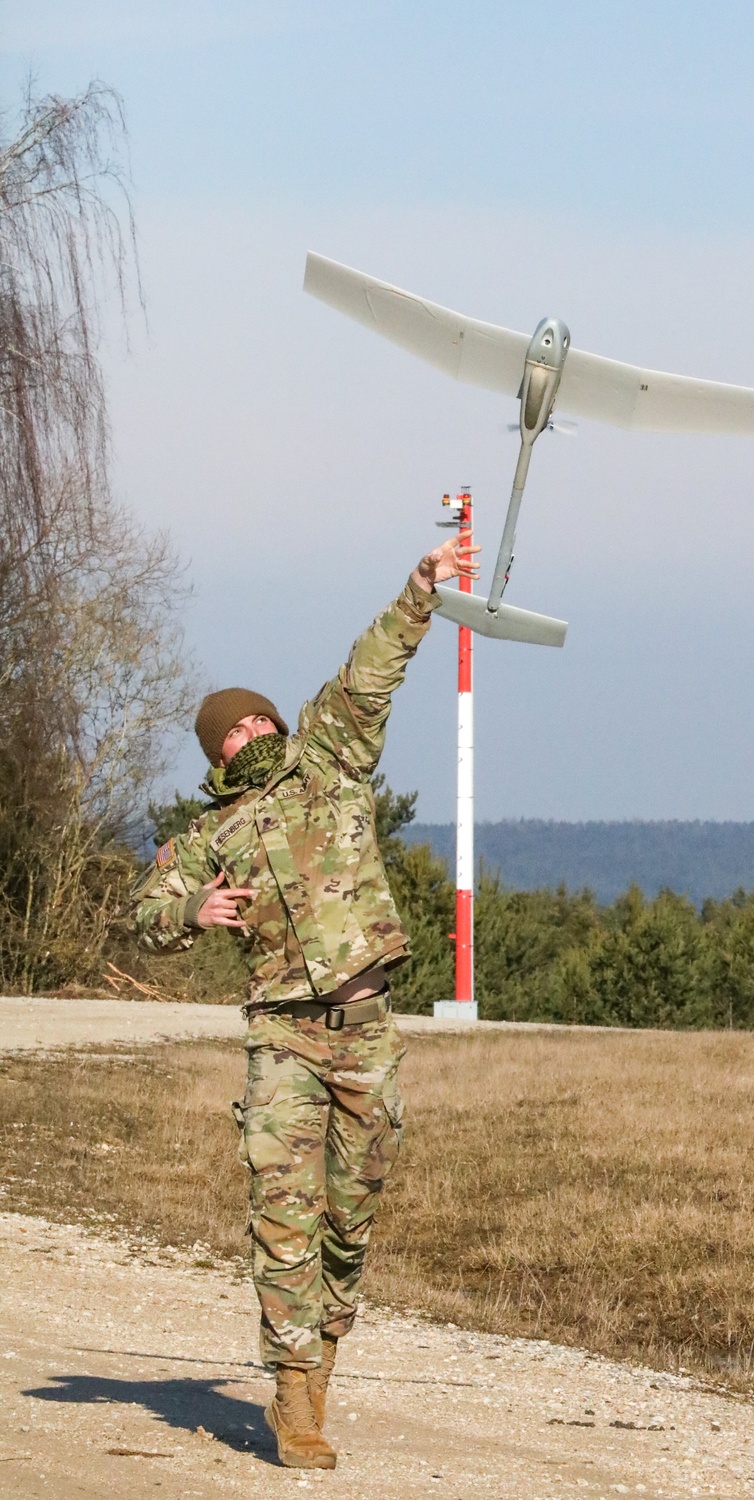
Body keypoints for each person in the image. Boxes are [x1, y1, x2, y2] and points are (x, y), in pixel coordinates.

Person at [130, 533, 478, 1469]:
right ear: (216, 755)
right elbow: (146, 910)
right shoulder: (210, 832)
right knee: (282, 1211)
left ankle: (321, 1359)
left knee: (351, 1215)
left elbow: (370, 674)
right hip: (282, 1037)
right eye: (232, 734)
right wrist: (190, 909)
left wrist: (419, 591)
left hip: (366, 1029)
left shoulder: (331, 754)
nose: (250, 735)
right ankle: (292, 1400)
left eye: (256, 722)